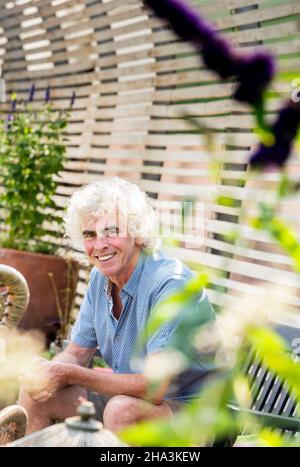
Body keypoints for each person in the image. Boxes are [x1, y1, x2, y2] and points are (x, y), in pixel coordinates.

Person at [19, 177, 218, 435]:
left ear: (137, 232)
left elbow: (154, 387)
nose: (99, 245)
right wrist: (49, 373)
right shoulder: (99, 278)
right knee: (39, 394)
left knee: (121, 410)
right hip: (134, 403)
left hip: (198, 416)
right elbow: (77, 355)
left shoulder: (170, 284)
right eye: (90, 235)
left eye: (111, 231)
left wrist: (69, 374)